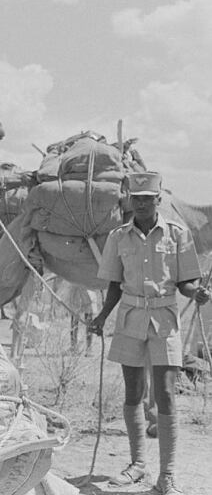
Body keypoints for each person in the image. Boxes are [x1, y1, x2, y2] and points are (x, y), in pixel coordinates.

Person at [89, 171, 210, 495]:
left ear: (158, 200)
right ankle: (137, 465)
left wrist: (196, 292)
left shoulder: (177, 234)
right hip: (129, 318)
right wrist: (101, 316)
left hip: (165, 318)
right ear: (129, 199)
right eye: (136, 199)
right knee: (133, 393)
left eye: (148, 199)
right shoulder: (118, 237)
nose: (141, 204)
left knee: (167, 393)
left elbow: (186, 281)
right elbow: (114, 283)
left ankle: (166, 476)